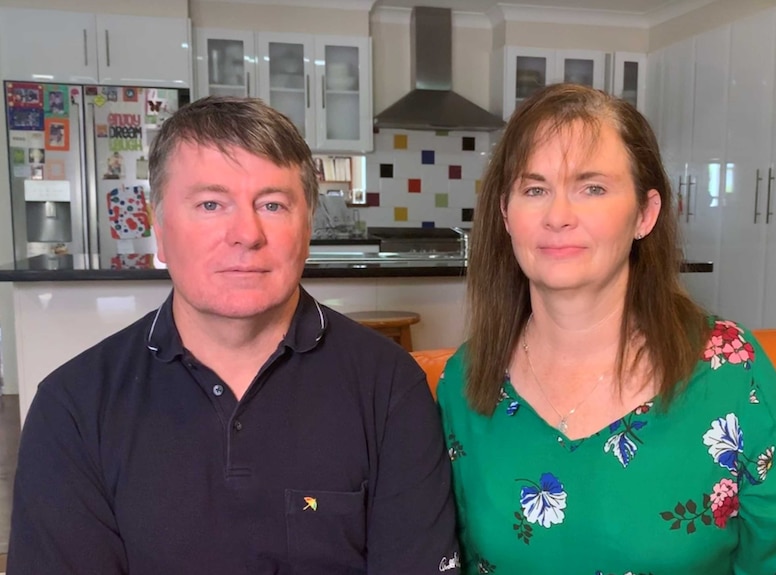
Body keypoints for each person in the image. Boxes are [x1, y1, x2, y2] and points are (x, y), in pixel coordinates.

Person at [9, 96, 459, 575]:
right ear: (158, 227)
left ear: (307, 227)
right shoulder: (73, 408)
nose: (246, 233)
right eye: (210, 203)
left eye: (272, 204)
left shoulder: (390, 387)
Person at [435, 83, 776, 575]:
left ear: (645, 214)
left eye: (592, 187)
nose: (558, 216)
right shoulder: (464, 384)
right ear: (506, 213)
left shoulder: (730, 371)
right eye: (535, 189)